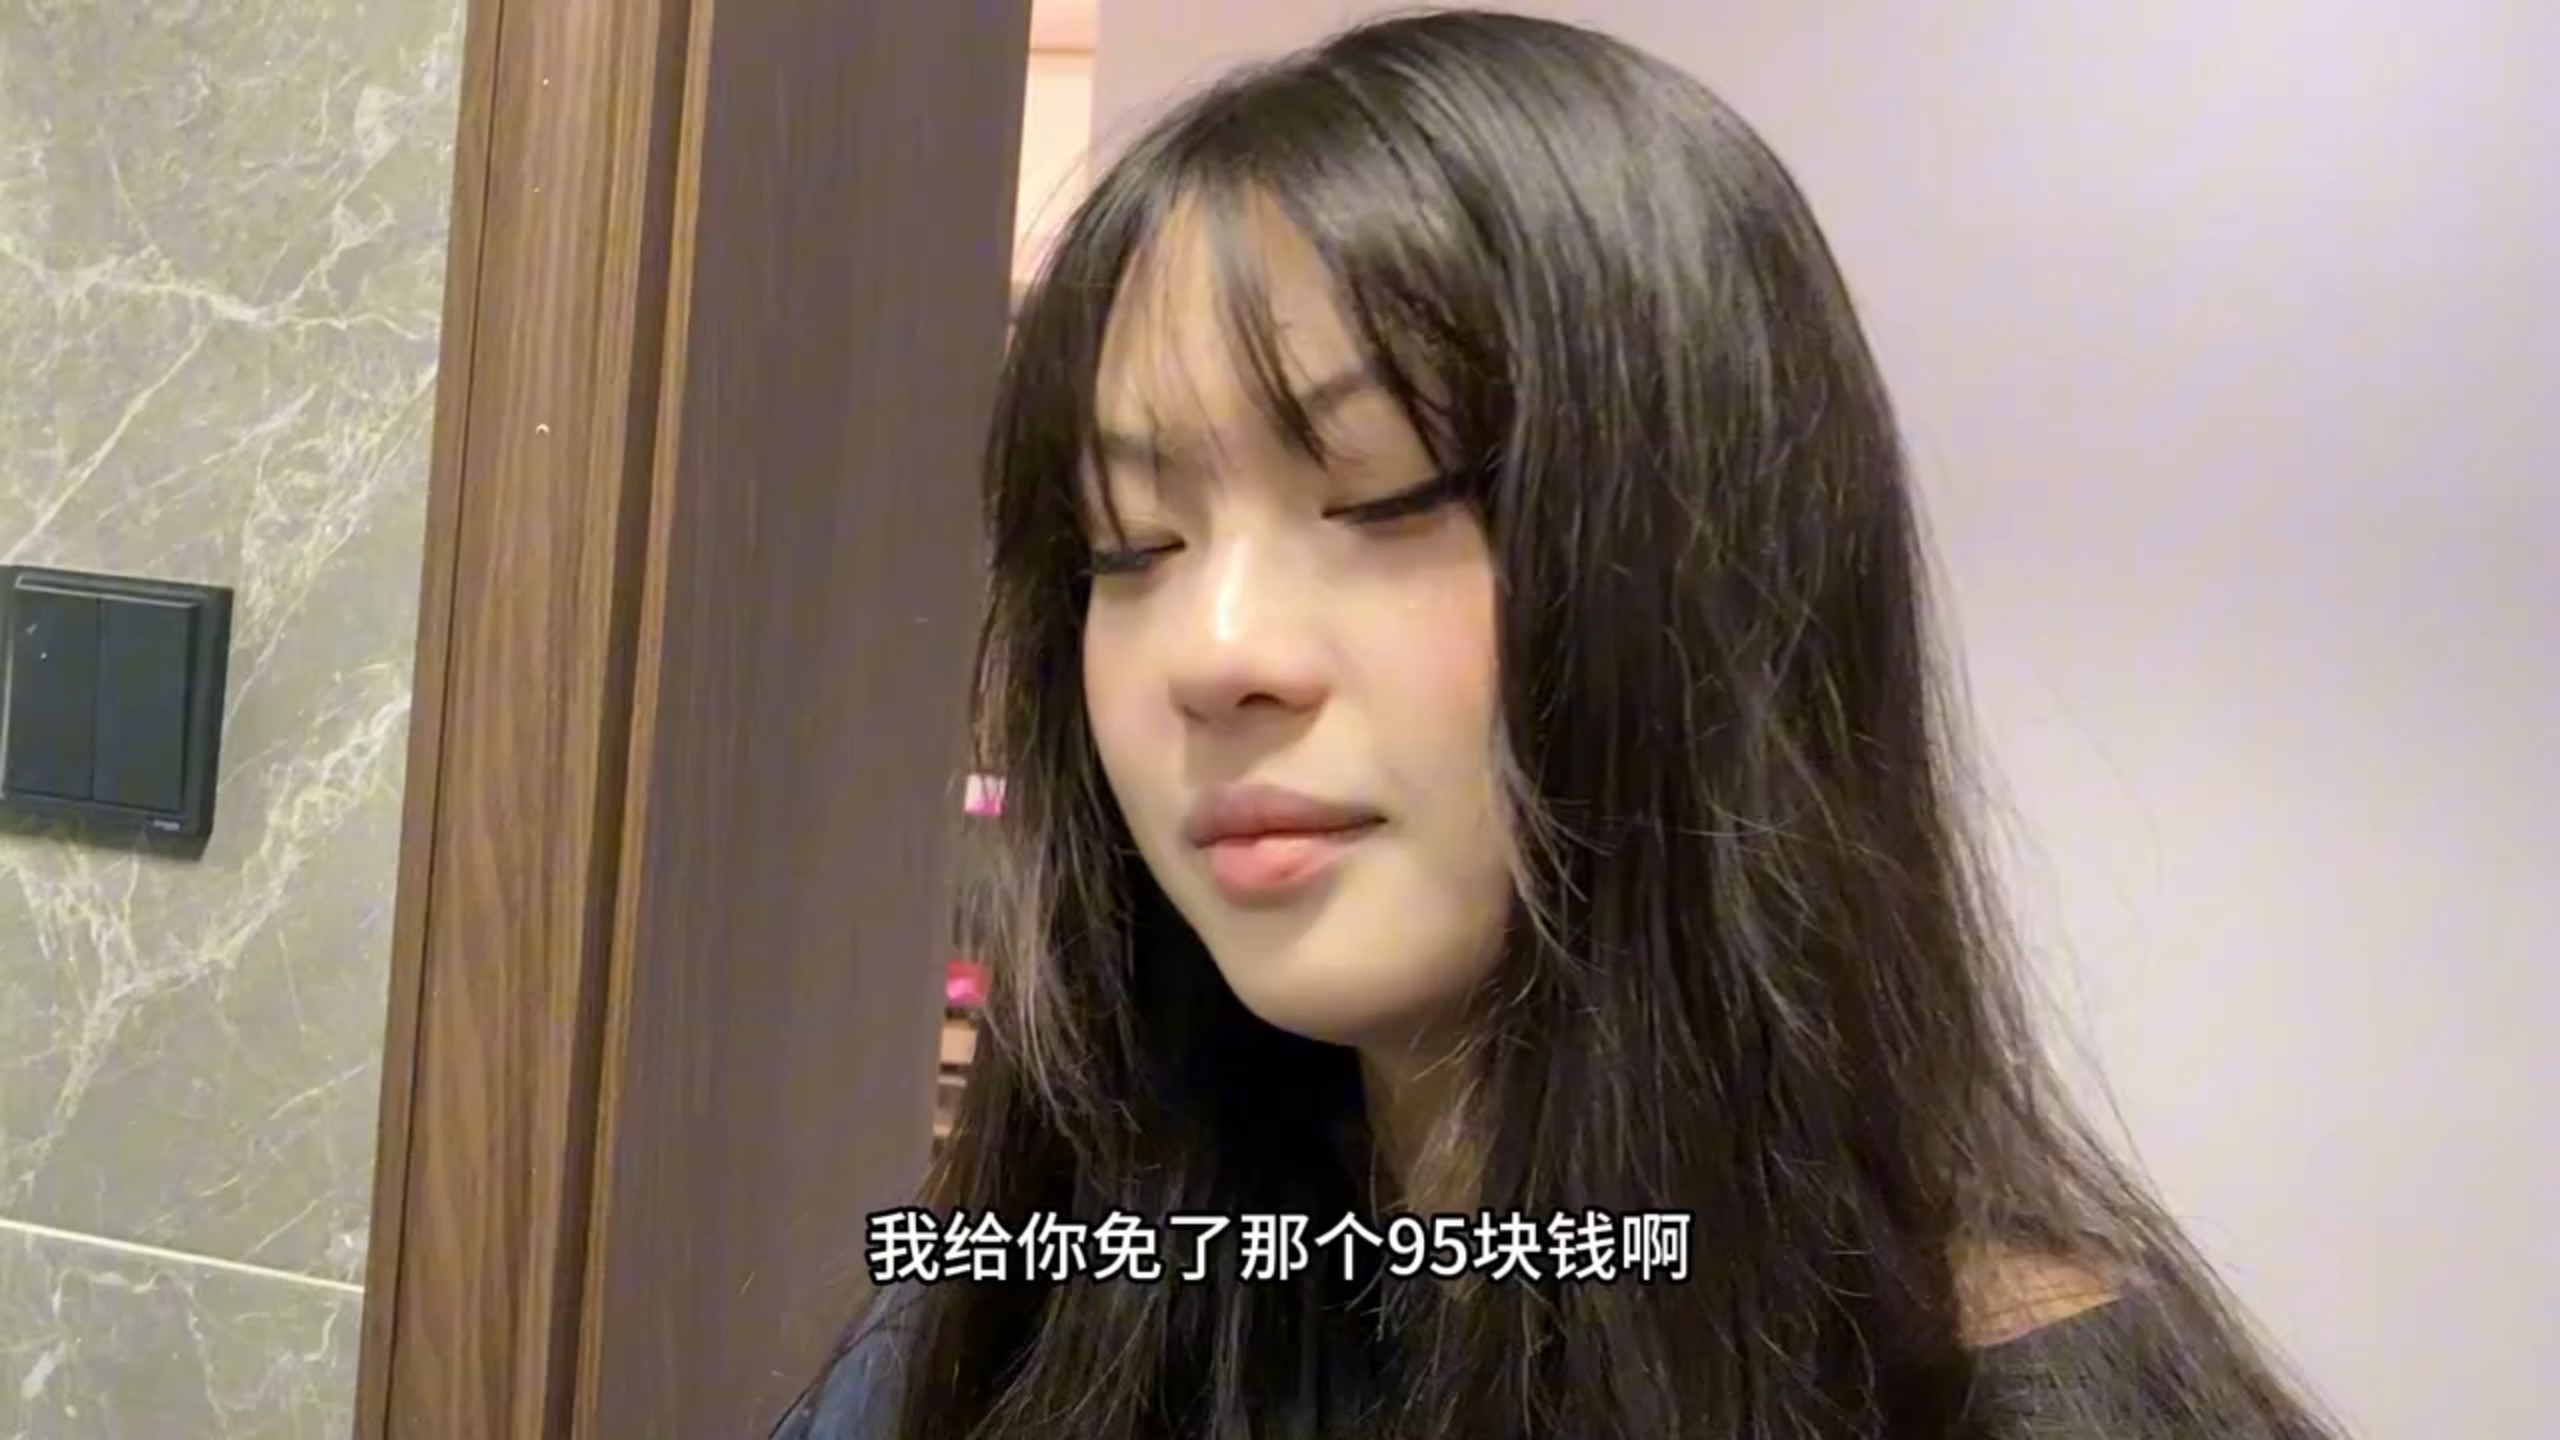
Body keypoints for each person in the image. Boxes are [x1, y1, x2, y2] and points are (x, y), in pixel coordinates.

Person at [776, 10, 2343, 1439]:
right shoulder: (1020, 1334)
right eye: (1130, 547)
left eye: (1386, 498)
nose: (1214, 648)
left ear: (1719, 570)